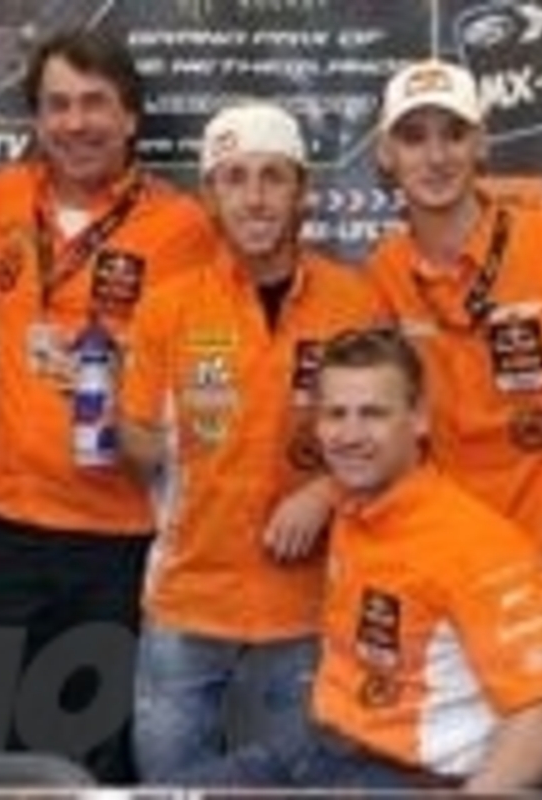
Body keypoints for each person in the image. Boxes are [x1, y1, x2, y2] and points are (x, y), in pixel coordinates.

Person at [270, 57, 542, 788]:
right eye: (413, 137)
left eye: (452, 133)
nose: (435, 155)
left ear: (481, 142)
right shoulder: (382, 275)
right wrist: (322, 490)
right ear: (386, 156)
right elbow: (375, 419)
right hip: (446, 598)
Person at [0, 28, 215, 784]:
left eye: (95, 103)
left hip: (118, 537)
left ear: (131, 117)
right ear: (36, 118)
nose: (76, 122)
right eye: (57, 105)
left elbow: (209, 366)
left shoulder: (184, 227)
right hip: (7, 533)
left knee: (95, 753)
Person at [179, 327, 542, 791]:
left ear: (419, 420)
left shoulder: (476, 545)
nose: (350, 435)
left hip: (406, 779)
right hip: (315, 748)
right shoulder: (354, 504)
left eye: (373, 414)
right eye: (335, 414)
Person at [117, 99, 382, 782]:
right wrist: (142, 430)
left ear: (303, 191)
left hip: (308, 608)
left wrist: (323, 492)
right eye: (234, 178)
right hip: (186, 601)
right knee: (173, 793)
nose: (255, 198)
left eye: (273, 176)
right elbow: (137, 441)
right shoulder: (167, 307)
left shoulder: (354, 302)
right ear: (209, 195)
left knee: (295, 791)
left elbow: (396, 443)